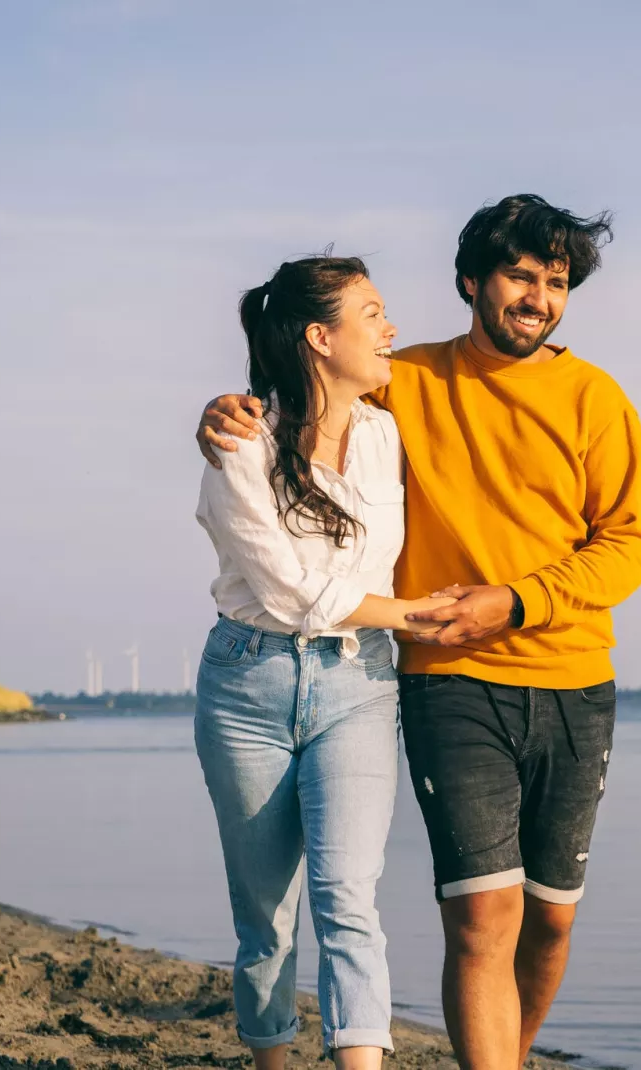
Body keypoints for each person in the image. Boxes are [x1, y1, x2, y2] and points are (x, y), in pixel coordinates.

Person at [197, 195, 641, 1069]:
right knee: (483, 916)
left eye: (556, 283)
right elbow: (305, 390)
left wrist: (516, 601)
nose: (539, 297)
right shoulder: (404, 380)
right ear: (473, 281)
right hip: (446, 680)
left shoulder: (596, 399)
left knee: (550, 922)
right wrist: (226, 411)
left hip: (572, 679)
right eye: (521, 275)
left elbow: (627, 548)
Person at [193, 254, 453, 1070]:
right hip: (248, 681)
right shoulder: (243, 441)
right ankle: (271, 1058)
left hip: (359, 683)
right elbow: (286, 584)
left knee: (349, 899)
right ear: (320, 336)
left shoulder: (388, 431)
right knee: (265, 915)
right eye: (372, 313)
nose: (391, 329)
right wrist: (413, 614)